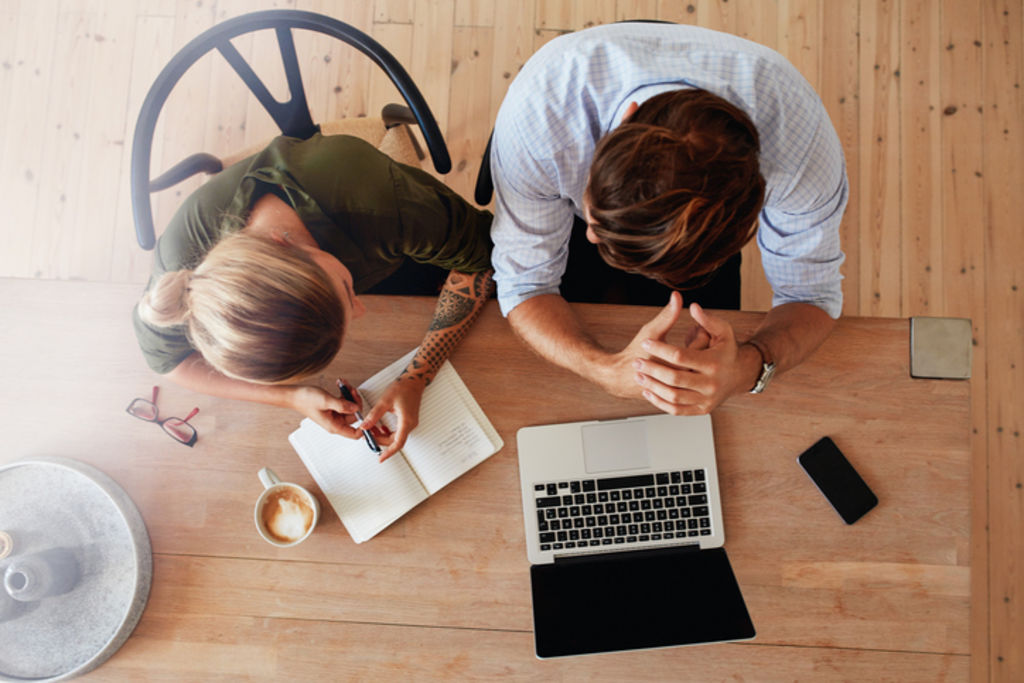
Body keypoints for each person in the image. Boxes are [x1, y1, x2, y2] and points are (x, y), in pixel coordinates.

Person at [488, 22, 847, 414]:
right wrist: (602, 369)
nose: (590, 236)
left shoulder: (802, 150)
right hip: (557, 175)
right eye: (595, 215)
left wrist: (746, 368)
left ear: (752, 214)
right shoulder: (541, 111)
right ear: (626, 118)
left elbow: (811, 296)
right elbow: (526, 285)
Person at [134, 132, 494, 461]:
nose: (361, 309)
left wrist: (418, 374)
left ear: (282, 240)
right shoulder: (181, 277)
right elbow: (168, 364)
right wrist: (292, 397)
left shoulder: (377, 200)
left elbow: (486, 258)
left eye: (346, 289)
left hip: (380, 227)